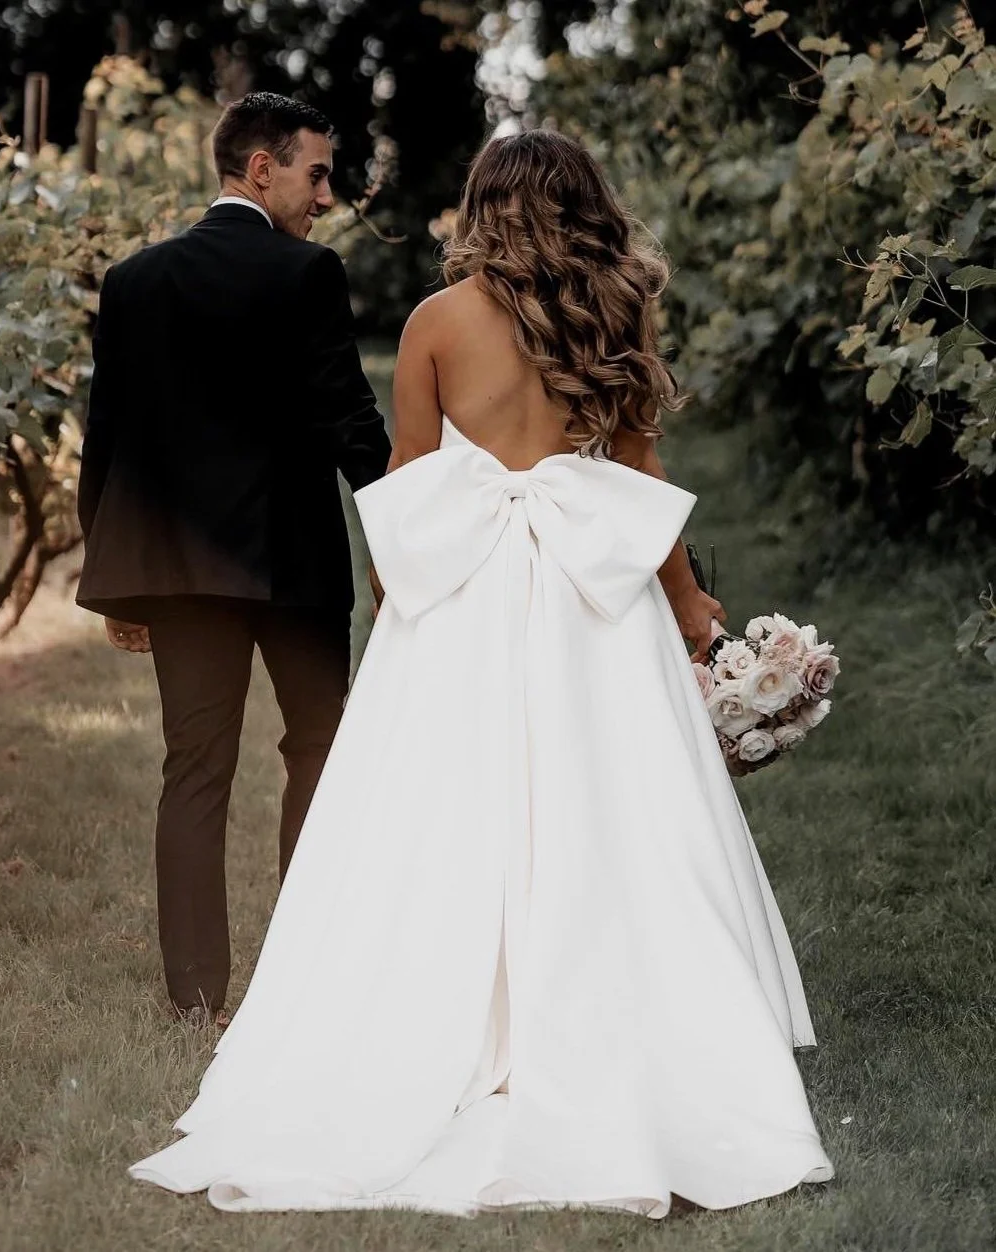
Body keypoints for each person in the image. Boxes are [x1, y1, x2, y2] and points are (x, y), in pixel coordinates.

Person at [129, 130, 834, 1216]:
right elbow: (642, 474)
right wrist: (691, 605)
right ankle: (627, 1033)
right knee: (612, 811)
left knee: (440, 809)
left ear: (481, 208)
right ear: (584, 204)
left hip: (462, 598)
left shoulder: (433, 323)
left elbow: (410, 484)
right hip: (592, 600)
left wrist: (400, 598)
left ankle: (431, 1030)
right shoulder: (614, 311)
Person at [76, 93, 391, 1025]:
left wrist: (115, 586)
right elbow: (350, 420)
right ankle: (304, 978)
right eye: (316, 172)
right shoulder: (308, 273)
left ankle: (196, 999)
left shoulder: (135, 282)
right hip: (293, 570)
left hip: (178, 574)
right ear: (263, 168)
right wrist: (404, 532)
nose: (326, 196)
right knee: (320, 754)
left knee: (195, 771)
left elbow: (109, 441)